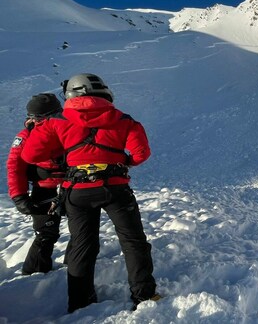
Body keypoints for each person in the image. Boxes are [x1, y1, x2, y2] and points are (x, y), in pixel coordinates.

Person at [20, 73, 158, 312]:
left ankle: (80, 303)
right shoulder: (123, 119)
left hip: (77, 191)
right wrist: (124, 160)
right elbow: (141, 153)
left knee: (83, 245)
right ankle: (144, 296)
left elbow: (30, 155)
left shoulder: (56, 121)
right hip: (115, 187)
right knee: (133, 241)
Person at [6, 93, 65, 275]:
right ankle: (34, 275)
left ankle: (76, 266)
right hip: (45, 190)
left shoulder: (68, 131)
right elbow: (14, 167)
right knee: (46, 233)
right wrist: (19, 196)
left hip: (71, 187)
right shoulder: (25, 137)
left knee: (82, 231)